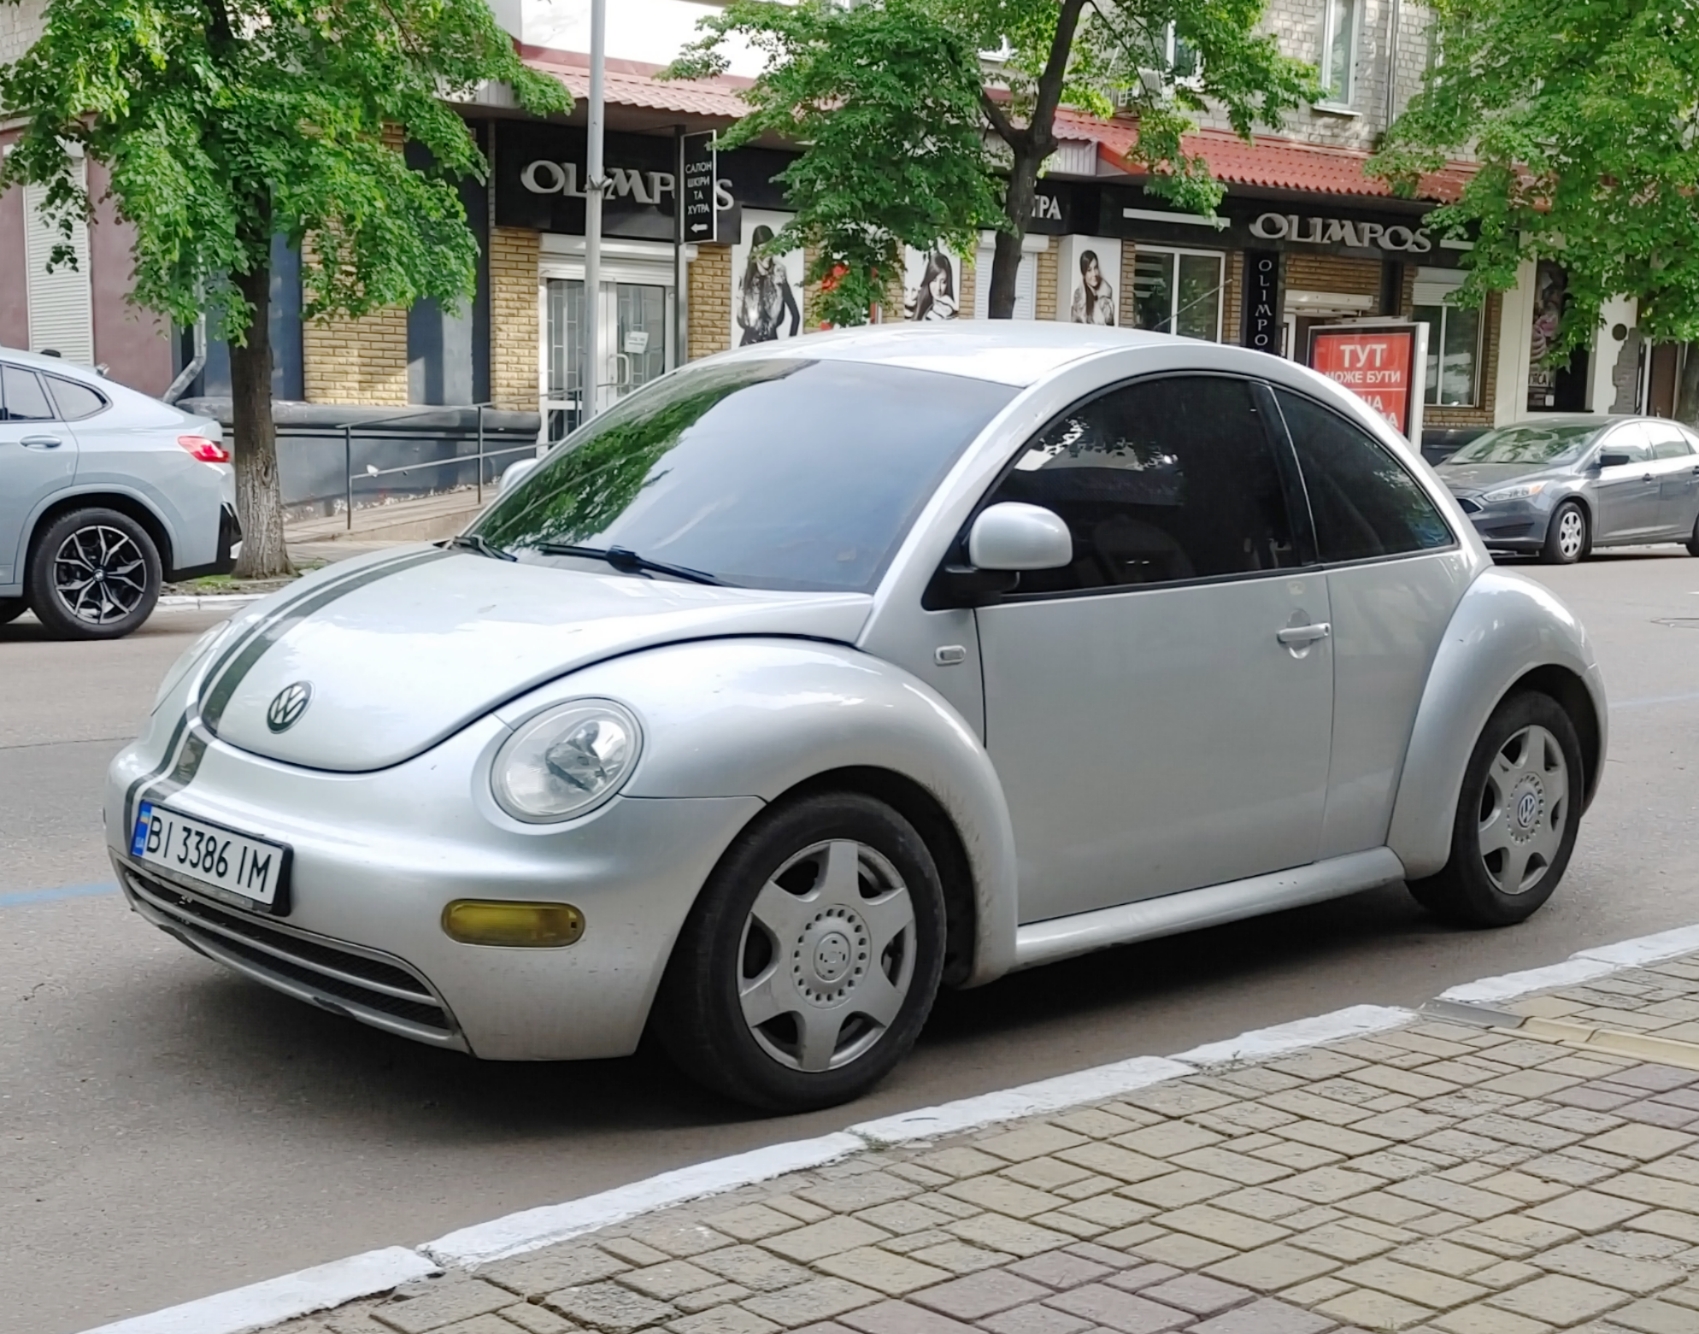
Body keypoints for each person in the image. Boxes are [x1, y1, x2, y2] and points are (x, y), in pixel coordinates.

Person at [736, 225, 801, 344]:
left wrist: (789, 344)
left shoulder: (778, 273)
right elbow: (739, 313)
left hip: (771, 343)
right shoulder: (746, 274)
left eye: (770, 249)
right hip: (747, 344)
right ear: (755, 249)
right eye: (762, 249)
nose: (767, 254)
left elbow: (795, 315)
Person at [1070, 249, 1116, 325]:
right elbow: (1075, 325)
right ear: (1083, 273)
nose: (1094, 274)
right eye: (1089, 270)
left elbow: (1110, 324)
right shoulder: (1078, 296)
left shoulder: (1106, 293)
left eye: (1096, 268)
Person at [908, 251, 958, 321]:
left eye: (943, 282)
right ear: (928, 279)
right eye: (934, 280)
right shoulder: (917, 303)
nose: (938, 288)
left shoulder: (949, 310)